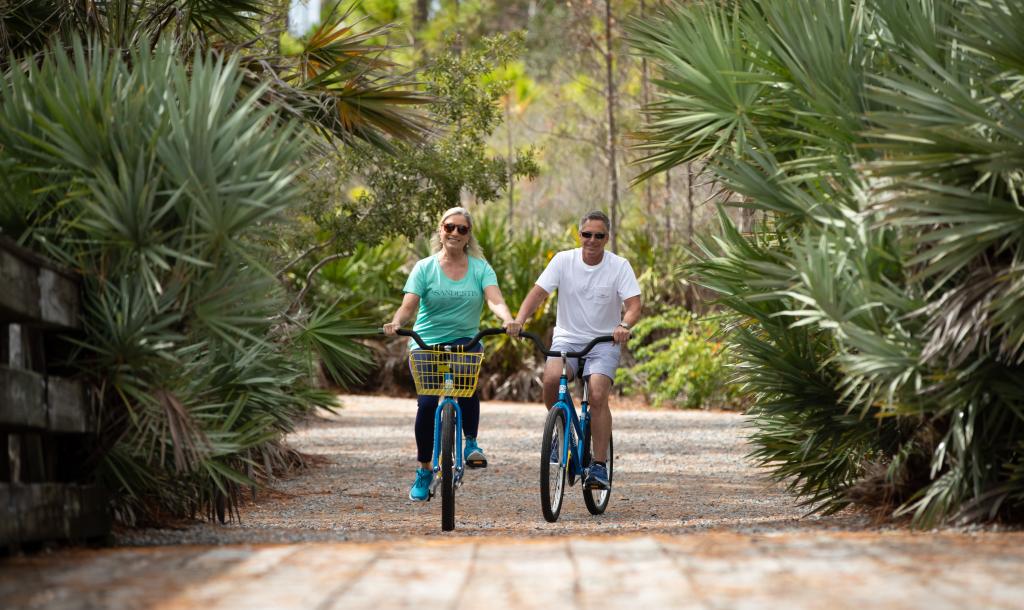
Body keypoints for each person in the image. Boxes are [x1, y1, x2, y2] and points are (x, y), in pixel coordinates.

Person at [384, 207, 521, 501]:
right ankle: (424, 469)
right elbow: (409, 305)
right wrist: (398, 322)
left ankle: (471, 442)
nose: (455, 233)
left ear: (469, 235)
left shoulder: (480, 268)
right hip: (426, 341)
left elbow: (494, 299)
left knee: (465, 382)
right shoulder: (425, 267)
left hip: (464, 339)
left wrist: (507, 319)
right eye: (450, 227)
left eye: (462, 229)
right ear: (440, 230)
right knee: (427, 403)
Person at [513, 210, 641, 490]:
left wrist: (623, 324)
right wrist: (519, 319)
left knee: (596, 394)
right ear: (579, 234)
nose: (592, 240)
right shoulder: (563, 260)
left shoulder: (619, 266)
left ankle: (597, 465)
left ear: (607, 238)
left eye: (599, 235)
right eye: (586, 234)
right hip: (568, 340)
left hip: (603, 342)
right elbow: (538, 293)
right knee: (550, 380)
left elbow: (633, 305)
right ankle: (561, 431)